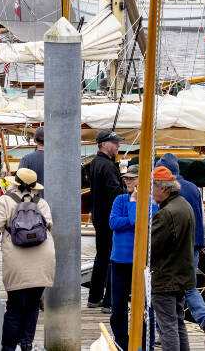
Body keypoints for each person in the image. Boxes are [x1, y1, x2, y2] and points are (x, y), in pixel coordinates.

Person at [0, 167, 54, 351]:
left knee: (14, 310)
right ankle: (26, 345)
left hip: (17, 263)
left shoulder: (5, 201)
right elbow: (48, 225)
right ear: (35, 186)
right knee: (32, 306)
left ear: (15, 183)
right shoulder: (41, 202)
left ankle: (8, 349)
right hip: (43, 260)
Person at [158, 153, 205, 349]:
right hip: (196, 242)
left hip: (176, 249)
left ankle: (201, 319)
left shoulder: (169, 194)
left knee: (180, 293)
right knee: (188, 286)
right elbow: (201, 217)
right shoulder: (193, 188)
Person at [109, 165, 156, 351]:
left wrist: (135, 203)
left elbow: (138, 222)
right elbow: (113, 223)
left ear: (142, 180)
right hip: (119, 260)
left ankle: (145, 344)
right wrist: (132, 214)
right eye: (126, 178)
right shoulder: (120, 199)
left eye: (132, 178)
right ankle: (121, 342)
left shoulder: (151, 201)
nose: (128, 181)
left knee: (145, 306)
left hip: (140, 262)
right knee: (118, 305)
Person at [149, 165, 196, 351]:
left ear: (163, 189)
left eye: (153, 187)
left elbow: (152, 247)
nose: (151, 192)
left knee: (168, 327)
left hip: (165, 277)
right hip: (181, 276)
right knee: (178, 323)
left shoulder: (165, 213)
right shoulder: (185, 205)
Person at [87, 130, 126, 310]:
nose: (118, 145)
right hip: (110, 218)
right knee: (112, 257)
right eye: (115, 143)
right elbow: (115, 193)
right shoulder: (109, 166)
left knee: (101, 256)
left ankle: (94, 297)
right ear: (104, 144)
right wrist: (132, 194)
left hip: (99, 216)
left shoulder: (95, 163)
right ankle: (109, 302)